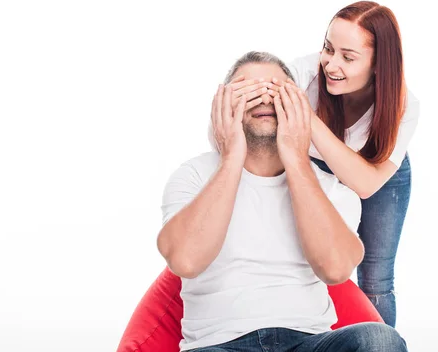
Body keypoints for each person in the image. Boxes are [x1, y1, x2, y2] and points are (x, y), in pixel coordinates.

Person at [159, 51, 408, 351]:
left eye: (276, 90)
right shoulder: (193, 176)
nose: (263, 98)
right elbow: (185, 259)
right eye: (246, 91)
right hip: (219, 344)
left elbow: (336, 268)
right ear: (222, 106)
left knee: (381, 340)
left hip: (309, 341)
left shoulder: (331, 189)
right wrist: (232, 158)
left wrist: (296, 157)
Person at [214, 1, 419, 327]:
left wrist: (305, 118)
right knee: (316, 269)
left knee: (377, 282)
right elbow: (221, 130)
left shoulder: (403, 105)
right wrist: (236, 96)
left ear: (379, 64)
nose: (331, 64)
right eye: (328, 48)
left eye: (348, 57)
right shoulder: (300, 76)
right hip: (315, 165)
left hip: (379, 176)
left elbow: (366, 185)